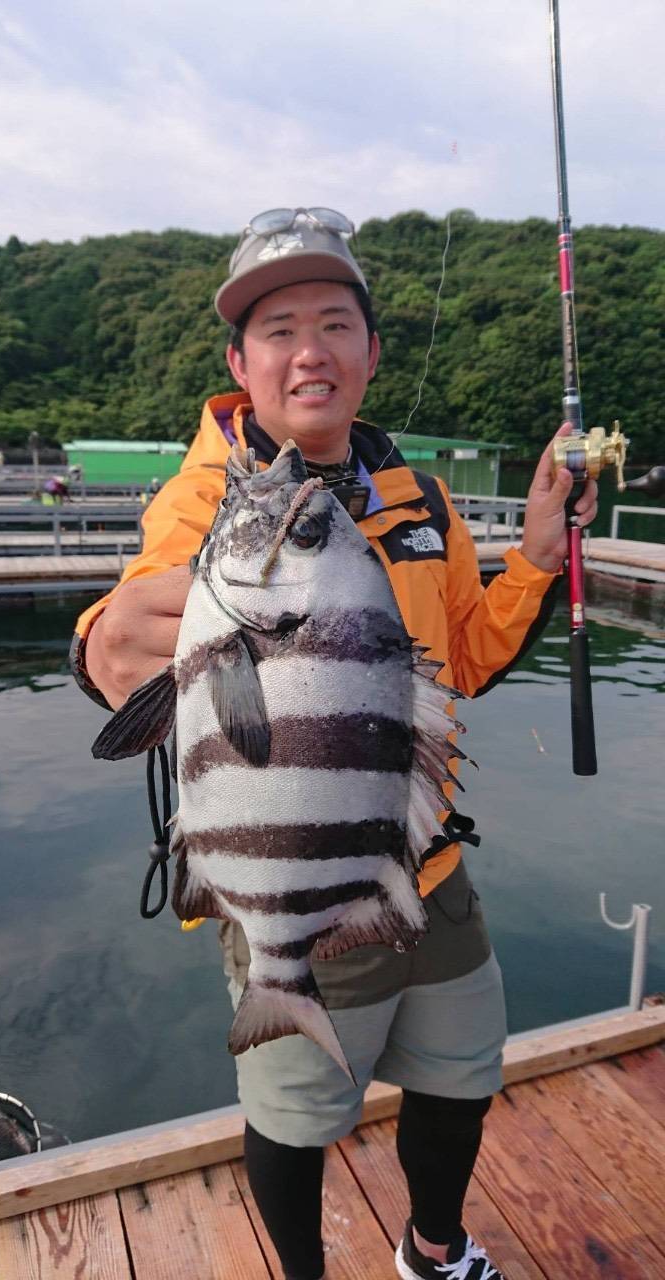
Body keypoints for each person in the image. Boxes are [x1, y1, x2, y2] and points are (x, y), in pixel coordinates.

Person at [71, 208, 597, 1280]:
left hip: (431, 869)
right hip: (292, 871)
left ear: (369, 351)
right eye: (277, 328)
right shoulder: (202, 500)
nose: (307, 348)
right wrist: (103, 647)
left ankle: (432, 1249)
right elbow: (122, 630)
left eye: (333, 321)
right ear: (240, 361)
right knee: (296, 1116)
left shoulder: (421, 497)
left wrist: (536, 557)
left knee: (461, 1077)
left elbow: (460, 662)